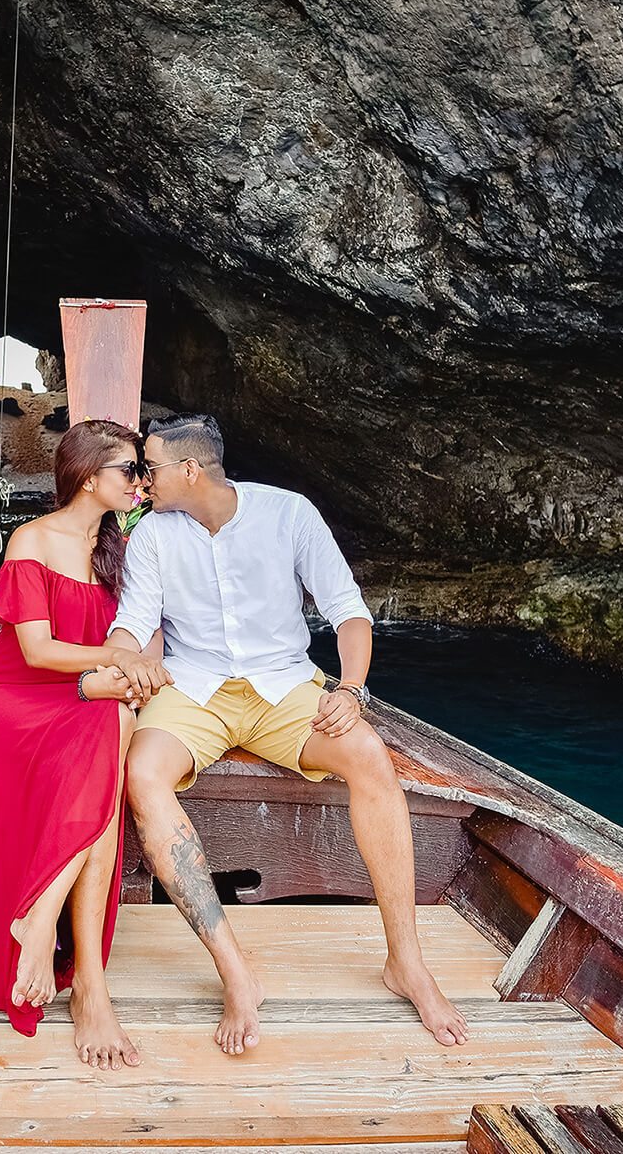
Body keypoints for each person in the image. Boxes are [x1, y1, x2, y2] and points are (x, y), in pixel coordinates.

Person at [104, 412, 471, 1056]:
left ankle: (405, 961)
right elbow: (133, 623)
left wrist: (351, 690)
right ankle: (234, 969)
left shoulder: (290, 514)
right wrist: (123, 659)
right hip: (192, 690)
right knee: (140, 773)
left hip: (286, 688)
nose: (141, 483)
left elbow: (348, 611)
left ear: (190, 470)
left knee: (369, 756)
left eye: (150, 469)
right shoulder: (152, 536)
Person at [0, 419, 164, 1070]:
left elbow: (143, 634)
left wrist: (127, 669)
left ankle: (41, 920)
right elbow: (37, 650)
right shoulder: (32, 540)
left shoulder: (124, 546)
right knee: (112, 726)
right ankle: (86, 983)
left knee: (112, 723)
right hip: (19, 696)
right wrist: (117, 664)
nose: (139, 481)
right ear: (86, 475)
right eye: (128, 469)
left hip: (89, 691)